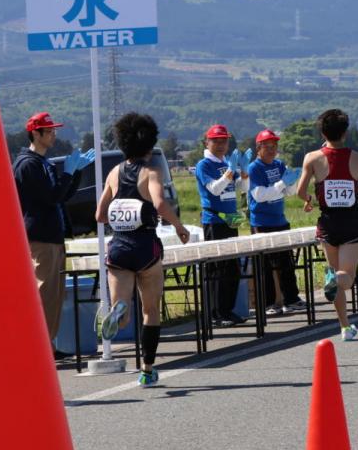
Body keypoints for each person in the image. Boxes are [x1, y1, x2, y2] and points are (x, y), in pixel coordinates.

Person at [95, 113, 190, 387]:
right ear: (149, 144)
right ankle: (147, 370)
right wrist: (179, 227)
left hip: (119, 249)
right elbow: (160, 204)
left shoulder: (113, 173)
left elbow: (99, 215)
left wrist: (119, 214)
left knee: (124, 318)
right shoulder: (152, 172)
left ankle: (119, 310)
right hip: (146, 248)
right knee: (151, 310)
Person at [13, 112, 93, 356]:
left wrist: (75, 173)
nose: (53, 134)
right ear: (35, 134)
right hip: (40, 237)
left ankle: (47, 344)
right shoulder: (28, 164)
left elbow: (62, 196)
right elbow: (51, 196)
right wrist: (68, 173)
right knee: (44, 292)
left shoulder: (42, 163)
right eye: (49, 131)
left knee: (55, 294)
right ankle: (37, 346)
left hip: (53, 236)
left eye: (53, 130)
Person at [296, 109, 358, 342]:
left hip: (327, 222)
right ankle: (335, 283)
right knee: (347, 277)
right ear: (345, 133)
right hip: (350, 221)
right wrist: (354, 193)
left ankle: (345, 326)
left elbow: (300, 191)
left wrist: (310, 200)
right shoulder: (357, 158)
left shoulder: (312, 158)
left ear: (322, 133)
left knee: (335, 273)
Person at [247, 129, 304, 316]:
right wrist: (282, 183)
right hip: (261, 222)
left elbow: (288, 193)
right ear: (258, 148)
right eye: (267, 147)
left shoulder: (279, 165)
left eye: (274, 146)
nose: (272, 150)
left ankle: (291, 299)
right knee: (265, 265)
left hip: (280, 220)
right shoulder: (254, 168)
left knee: (286, 262)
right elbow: (260, 195)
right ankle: (269, 303)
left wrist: (292, 182)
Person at [195, 124, 246, 328]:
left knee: (233, 267)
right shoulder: (204, 165)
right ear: (206, 142)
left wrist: (244, 172)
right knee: (218, 268)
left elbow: (242, 188)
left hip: (231, 218)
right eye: (215, 141)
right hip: (214, 220)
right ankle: (216, 313)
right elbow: (214, 189)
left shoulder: (226, 162)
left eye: (224, 140)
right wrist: (230, 172)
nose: (221, 144)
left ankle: (228, 309)